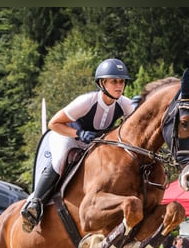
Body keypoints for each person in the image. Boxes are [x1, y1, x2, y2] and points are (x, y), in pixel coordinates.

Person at [20, 58, 136, 232]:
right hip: (67, 136)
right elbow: (54, 123)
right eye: (114, 81)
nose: (119, 86)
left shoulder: (125, 104)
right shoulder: (86, 102)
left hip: (92, 144)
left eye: (122, 81)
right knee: (60, 159)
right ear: (102, 83)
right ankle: (35, 203)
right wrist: (78, 133)